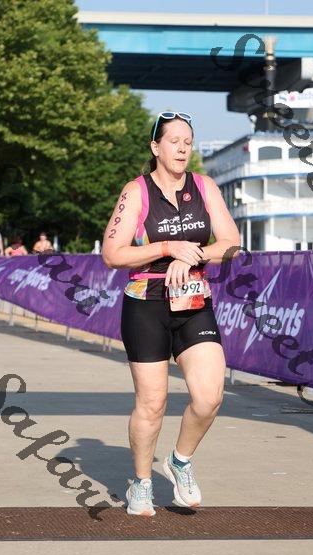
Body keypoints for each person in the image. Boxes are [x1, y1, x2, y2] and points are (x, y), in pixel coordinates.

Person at [102, 111, 240, 517]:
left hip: (193, 302)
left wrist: (191, 254)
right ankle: (141, 482)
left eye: (188, 142)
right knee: (153, 403)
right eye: (174, 141)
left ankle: (179, 461)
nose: (182, 149)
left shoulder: (205, 186)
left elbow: (232, 243)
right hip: (146, 305)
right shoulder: (137, 191)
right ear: (155, 147)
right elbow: (113, 254)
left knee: (209, 397)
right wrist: (167, 248)